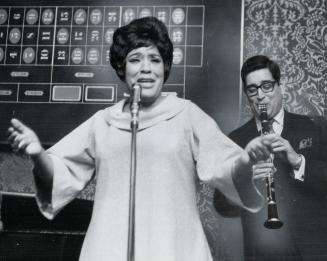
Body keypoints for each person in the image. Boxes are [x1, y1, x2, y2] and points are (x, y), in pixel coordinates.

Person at [7, 18, 274, 261]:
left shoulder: (186, 114)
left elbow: (225, 167)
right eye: (136, 59)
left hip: (173, 247)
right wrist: (37, 153)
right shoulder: (103, 121)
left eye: (155, 59)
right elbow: (61, 174)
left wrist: (246, 159)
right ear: (123, 68)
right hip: (109, 248)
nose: (146, 68)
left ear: (165, 67)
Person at [214, 55, 327, 260]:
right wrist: (244, 180)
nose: (260, 96)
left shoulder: (314, 126)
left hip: (313, 251)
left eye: (267, 86)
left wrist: (298, 162)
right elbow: (221, 206)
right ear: (247, 94)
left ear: (279, 86)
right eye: (252, 89)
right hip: (262, 252)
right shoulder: (236, 139)